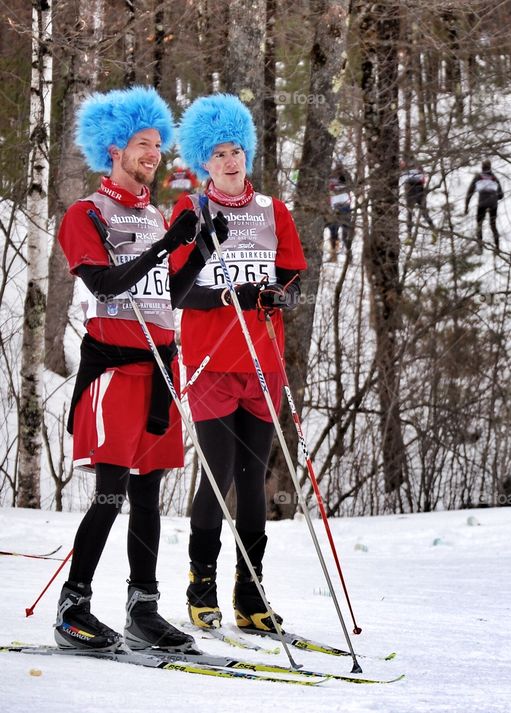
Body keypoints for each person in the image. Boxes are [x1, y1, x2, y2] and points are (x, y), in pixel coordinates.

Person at [55, 86, 206, 652]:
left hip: (158, 372)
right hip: (114, 370)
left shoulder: (155, 213)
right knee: (110, 495)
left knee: (148, 498)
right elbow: (104, 283)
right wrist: (166, 243)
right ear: (114, 148)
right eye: (145, 144)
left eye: (159, 146)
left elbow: (171, 295)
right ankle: (74, 605)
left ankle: (143, 607)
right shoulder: (86, 213)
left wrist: (199, 253)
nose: (155, 155)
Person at [170, 94, 307, 634]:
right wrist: (228, 294)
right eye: (219, 153)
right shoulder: (190, 213)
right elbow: (177, 290)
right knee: (219, 472)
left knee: (255, 481)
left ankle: (251, 595)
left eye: (237, 151)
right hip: (209, 362)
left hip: (263, 362)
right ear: (203, 161)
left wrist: (278, 295)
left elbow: (293, 275)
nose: (231, 161)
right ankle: (201, 583)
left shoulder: (275, 212)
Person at [464, 159, 504, 253]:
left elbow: (470, 192)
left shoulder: (478, 177)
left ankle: (480, 248)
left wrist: (466, 206)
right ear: (490, 167)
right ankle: (497, 248)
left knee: (479, 225)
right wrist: (494, 197)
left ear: (482, 167)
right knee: (493, 225)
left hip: (482, 203)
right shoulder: (494, 178)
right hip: (493, 204)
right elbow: (501, 195)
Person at [326, 161, 353, 261]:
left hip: (345, 206)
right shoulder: (330, 175)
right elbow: (327, 189)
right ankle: (334, 255)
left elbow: (351, 186)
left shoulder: (346, 174)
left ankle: (349, 255)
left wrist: (342, 184)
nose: (339, 168)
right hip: (334, 206)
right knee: (333, 231)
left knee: (345, 232)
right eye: (337, 165)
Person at [400, 158, 435, 234]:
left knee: (423, 212)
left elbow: (423, 180)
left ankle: (433, 230)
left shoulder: (416, 168)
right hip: (412, 191)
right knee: (410, 213)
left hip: (418, 191)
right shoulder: (404, 171)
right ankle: (409, 234)